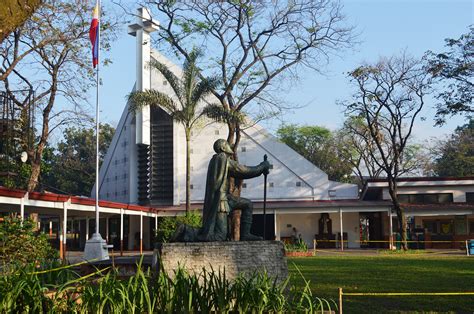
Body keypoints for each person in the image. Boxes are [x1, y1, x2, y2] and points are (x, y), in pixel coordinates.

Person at [197, 139, 270, 241]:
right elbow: (243, 171)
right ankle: (186, 232)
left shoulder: (215, 161)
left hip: (226, 198)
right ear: (223, 148)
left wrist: (261, 168)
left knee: (247, 204)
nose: (229, 146)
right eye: (227, 144)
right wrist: (262, 166)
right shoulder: (222, 160)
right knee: (219, 236)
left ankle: (245, 234)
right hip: (220, 201)